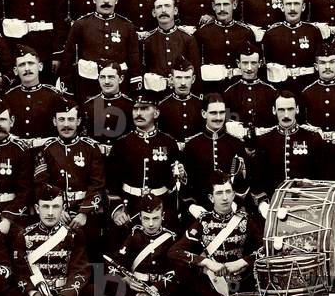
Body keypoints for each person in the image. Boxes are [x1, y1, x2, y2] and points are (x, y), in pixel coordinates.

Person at [169, 171, 264, 296]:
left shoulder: (245, 220)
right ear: (211, 198)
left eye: (228, 192)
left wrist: (242, 262)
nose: (225, 198)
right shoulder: (203, 222)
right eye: (219, 193)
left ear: (234, 195)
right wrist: (207, 263)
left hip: (241, 282)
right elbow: (174, 252)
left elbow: (266, 248)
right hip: (212, 286)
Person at [105, 193, 194, 296]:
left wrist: (155, 288)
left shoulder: (171, 238)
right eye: (146, 218)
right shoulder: (134, 236)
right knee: (110, 282)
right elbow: (116, 264)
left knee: (184, 289)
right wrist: (128, 281)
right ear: (140, 217)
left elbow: (176, 269)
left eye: (155, 218)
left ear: (162, 216)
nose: (151, 224)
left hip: (161, 288)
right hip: (136, 289)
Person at [39, 104, 107, 258]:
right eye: (61, 119)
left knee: (92, 256)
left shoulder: (90, 148)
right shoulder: (46, 149)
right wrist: (57, 210)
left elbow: (98, 183)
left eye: (71, 119)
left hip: (86, 212)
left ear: (78, 121)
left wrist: (84, 213)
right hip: (55, 212)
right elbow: (41, 183)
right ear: (54, 121)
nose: (66, 124)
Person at [60, 0, 142, 104]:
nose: (106, 1)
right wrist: (68, 91)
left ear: (116, 0)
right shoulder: (81, 25)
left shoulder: (127, 26)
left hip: (119, 87)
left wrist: (135, 90)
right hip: (88, 85)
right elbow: (68, 58)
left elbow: (134, 61)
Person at [107, 93, 182, 233]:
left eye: (144, 108)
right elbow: (111, 182)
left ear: (156, 113)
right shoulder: (122, 144)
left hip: (160, 209)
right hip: (129, 209)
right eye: (135, 109)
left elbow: (173, 184)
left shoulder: (169, 142)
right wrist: (117, 210)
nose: (138, 113)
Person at [14, 183, 92, 296]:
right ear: (37, 209)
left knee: (94, 291)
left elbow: (80, 270)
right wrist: (34, 294)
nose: (50, 213)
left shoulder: (74, 235)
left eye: (55, 207)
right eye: (45, 207)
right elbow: (20, 272)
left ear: (63, 208)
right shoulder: (23, 235)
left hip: (65, 294)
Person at [250, 92, 325, 205]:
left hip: (307, 203)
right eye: (281, 110)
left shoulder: (313, 137)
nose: (286, 115)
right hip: (274, 203)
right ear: (274, 110)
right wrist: (262, 204)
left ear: (297, 109)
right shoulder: (264, 140)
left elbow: (322, 175)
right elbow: (257, 178)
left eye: (290, 109)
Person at [180, 94, 247, 217]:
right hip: (200, 209)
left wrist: (235, 203)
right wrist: (192, 206)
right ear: (204, 114)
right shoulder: (192, 145)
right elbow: (187, 184)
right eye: (213, 113)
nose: (218, 118)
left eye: (222, 113)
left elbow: (243, 181)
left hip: (231, 208)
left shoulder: (236, 143)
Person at [1, 45, 70, 147]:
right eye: (22, 65)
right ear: (15, 71)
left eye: (31, 63)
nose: (27, 68)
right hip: (16, 150)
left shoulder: (54, 95)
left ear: (40, 66)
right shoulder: (9, 97)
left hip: (46, 149)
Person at [261, 0, 325, 92]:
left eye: (296, 4)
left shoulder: (313, 31)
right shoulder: (271, 34)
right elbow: (265, 65)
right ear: (282, 7)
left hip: (308, 87)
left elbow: (320, 62)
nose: (292, 8)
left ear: (303, 7)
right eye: (288, 4)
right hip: (280, 88)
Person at [194, 0, 256, 89]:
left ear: (234, 5)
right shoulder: (202, 33)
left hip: (239, 86)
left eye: (226, 4)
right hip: (212, 86)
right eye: (218, 5)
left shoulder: (246, 32)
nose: (222, 9)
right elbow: (196, 64)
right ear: (213, 6)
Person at [143, 0, 202, 94]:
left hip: (182, 94)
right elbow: (145, 71)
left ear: (175, 11)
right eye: (159, 7)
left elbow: (196, 71)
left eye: (167, 6)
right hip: (156, 94)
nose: (163, 10)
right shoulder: (148, 40)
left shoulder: (188, 38)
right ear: (154, 13)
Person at [224, 42, 278, 129]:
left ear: (259, 63)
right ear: (238, 63)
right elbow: (227, 122)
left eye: (253, 63)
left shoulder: (271, 92)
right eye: (245, 63)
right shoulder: (229, 93)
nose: (249, 68)